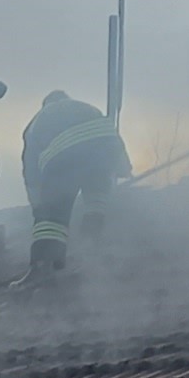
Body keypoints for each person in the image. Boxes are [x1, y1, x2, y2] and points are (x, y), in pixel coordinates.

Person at [21, 88, 131, 282]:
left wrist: (38, 206)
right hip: (105, 151)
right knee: (96, 200)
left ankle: (42, 267)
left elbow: (31, 170)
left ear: (45, 105)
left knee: (51, 217)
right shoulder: (88, 108)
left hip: (66, 156)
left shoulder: (37, 121)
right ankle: (90, 249)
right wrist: (125, 169)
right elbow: (112, 137)